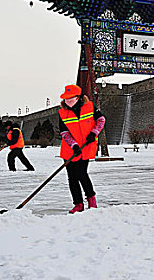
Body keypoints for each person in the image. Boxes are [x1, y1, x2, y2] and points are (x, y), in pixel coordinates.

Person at [58, 84, 105, 214]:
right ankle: (78, 204)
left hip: (86, 147)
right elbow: (64, 132)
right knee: (72, 178)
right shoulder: (62, 112)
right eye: (66, 99)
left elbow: (101, 120)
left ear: (78, 97)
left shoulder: (89, 107)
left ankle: (91, 199)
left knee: (81, 174)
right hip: (69, 149)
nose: (68, 101)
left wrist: (94, 133)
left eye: (71, 98)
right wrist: (73, 145)